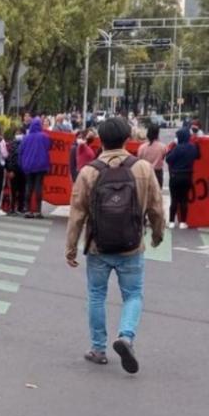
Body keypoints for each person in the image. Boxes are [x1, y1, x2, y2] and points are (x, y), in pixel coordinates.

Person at [64, 117, 165, 372]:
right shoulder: (143, 169)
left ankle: (98, 348)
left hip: (98, 246)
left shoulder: (89, 172)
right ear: (127, 139)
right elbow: (156, 207)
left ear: (101, 140)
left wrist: (71, 247)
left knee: (97, 295)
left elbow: (76, 214)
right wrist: (157, 235)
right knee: (133, 295)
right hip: (132, 246)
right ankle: (126, 336)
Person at [165, 127, 199, 229]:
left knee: (174, 199)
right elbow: (198, 155)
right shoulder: (192, 147)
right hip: (187, 175)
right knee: (184, 199)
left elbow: (168, 159)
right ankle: (183, 222)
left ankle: (171, 221)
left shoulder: (177, 148)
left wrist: (172, 147)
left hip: (175, 176)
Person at [19, 117, 51, 218]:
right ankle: (37, 210)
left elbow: (21, 151)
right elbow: (49, 146)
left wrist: (21, 164)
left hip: (28, 165)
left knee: (29, 186)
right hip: (41, 165)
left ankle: (27, 210)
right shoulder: (44, 137)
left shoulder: (26, 138)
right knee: (38, 187)